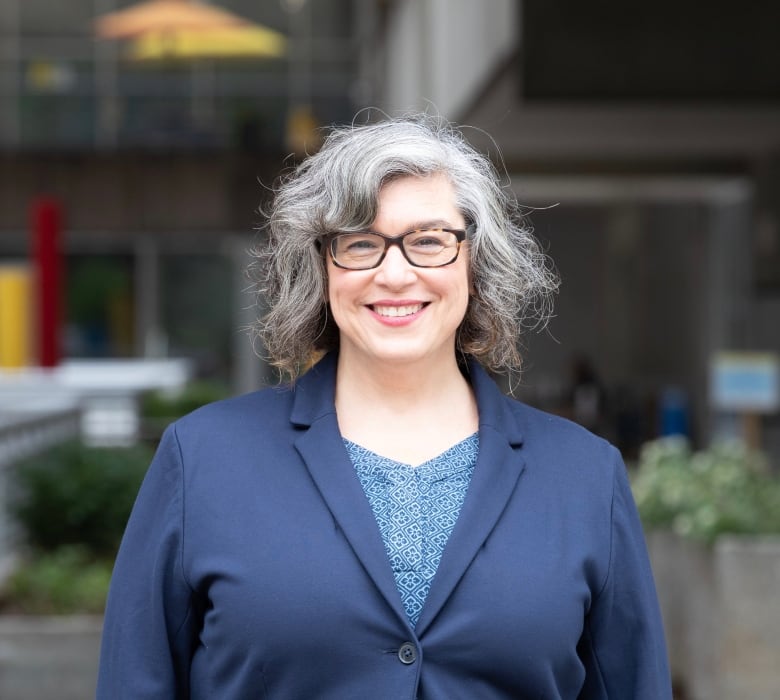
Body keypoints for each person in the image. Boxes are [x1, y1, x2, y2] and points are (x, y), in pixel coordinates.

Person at [97, 114, 672, 699]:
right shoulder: (202, 460)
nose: (394, 273)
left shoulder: (585, 476)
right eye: (361, 243)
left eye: (428, 241)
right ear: (321, 268)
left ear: (475, 262)